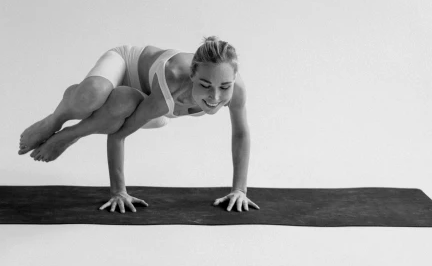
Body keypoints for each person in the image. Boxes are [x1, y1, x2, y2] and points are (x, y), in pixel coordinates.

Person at [18, 36, 259, 214]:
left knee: (124, 100)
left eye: (224, 87)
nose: (215, 97)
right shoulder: (173, 81)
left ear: (234, 80)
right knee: (91, 96)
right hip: (126, 66)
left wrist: (240, 190)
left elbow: (241, 134)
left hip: (145, 104)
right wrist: (118, 191)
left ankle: (72, 133)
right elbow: (118, 137)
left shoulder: (236, 91)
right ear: (193, 76)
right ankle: (56, 121)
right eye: (205, 85)